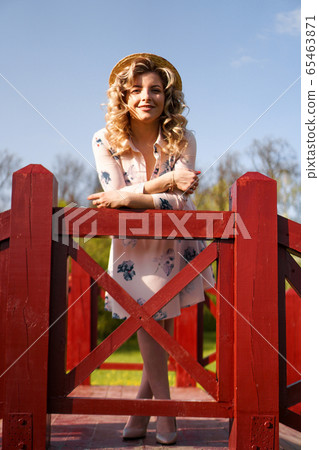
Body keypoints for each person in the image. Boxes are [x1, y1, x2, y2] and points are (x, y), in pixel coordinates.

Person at [88, 53, 214, 445]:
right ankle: (164, 409)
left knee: (157, 322)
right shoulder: (103, 139)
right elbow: (113, 199)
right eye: (137, 89)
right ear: (123, 96)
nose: (147, 96)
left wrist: (133, 196)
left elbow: (178, 204)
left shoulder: (184, 138)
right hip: (132, 247)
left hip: (176, 241)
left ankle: (144, 413)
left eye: (155, 89)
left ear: (167, 96)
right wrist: (164, 183)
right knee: (148, 320)